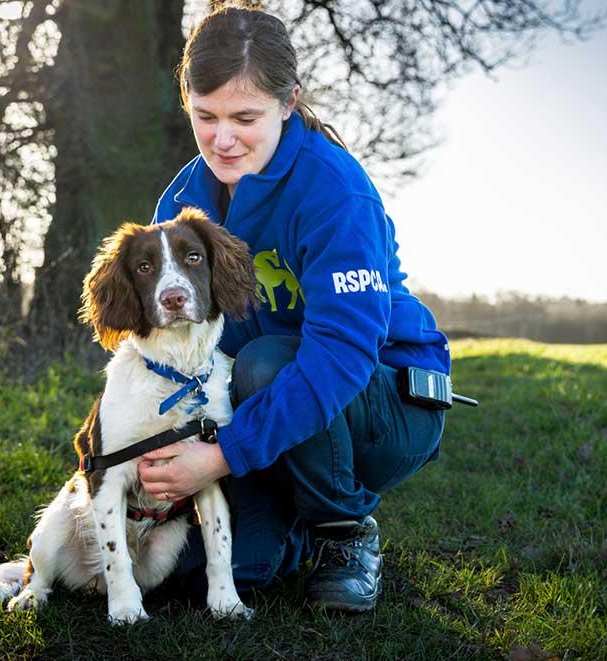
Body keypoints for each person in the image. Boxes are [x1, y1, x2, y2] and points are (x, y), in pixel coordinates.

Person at [137, 5, 450, 613]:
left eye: (245, 117)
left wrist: (223, 457)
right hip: (265, 403)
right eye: (206, 117)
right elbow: (169, 345)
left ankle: (344, 532)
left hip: (386, 403)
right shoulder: (182, 200)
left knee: (264, 363)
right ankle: (291, 519)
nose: (222, 139)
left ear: (288, 102)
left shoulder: (336, 192)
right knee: (207, 575)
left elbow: (340, 359)